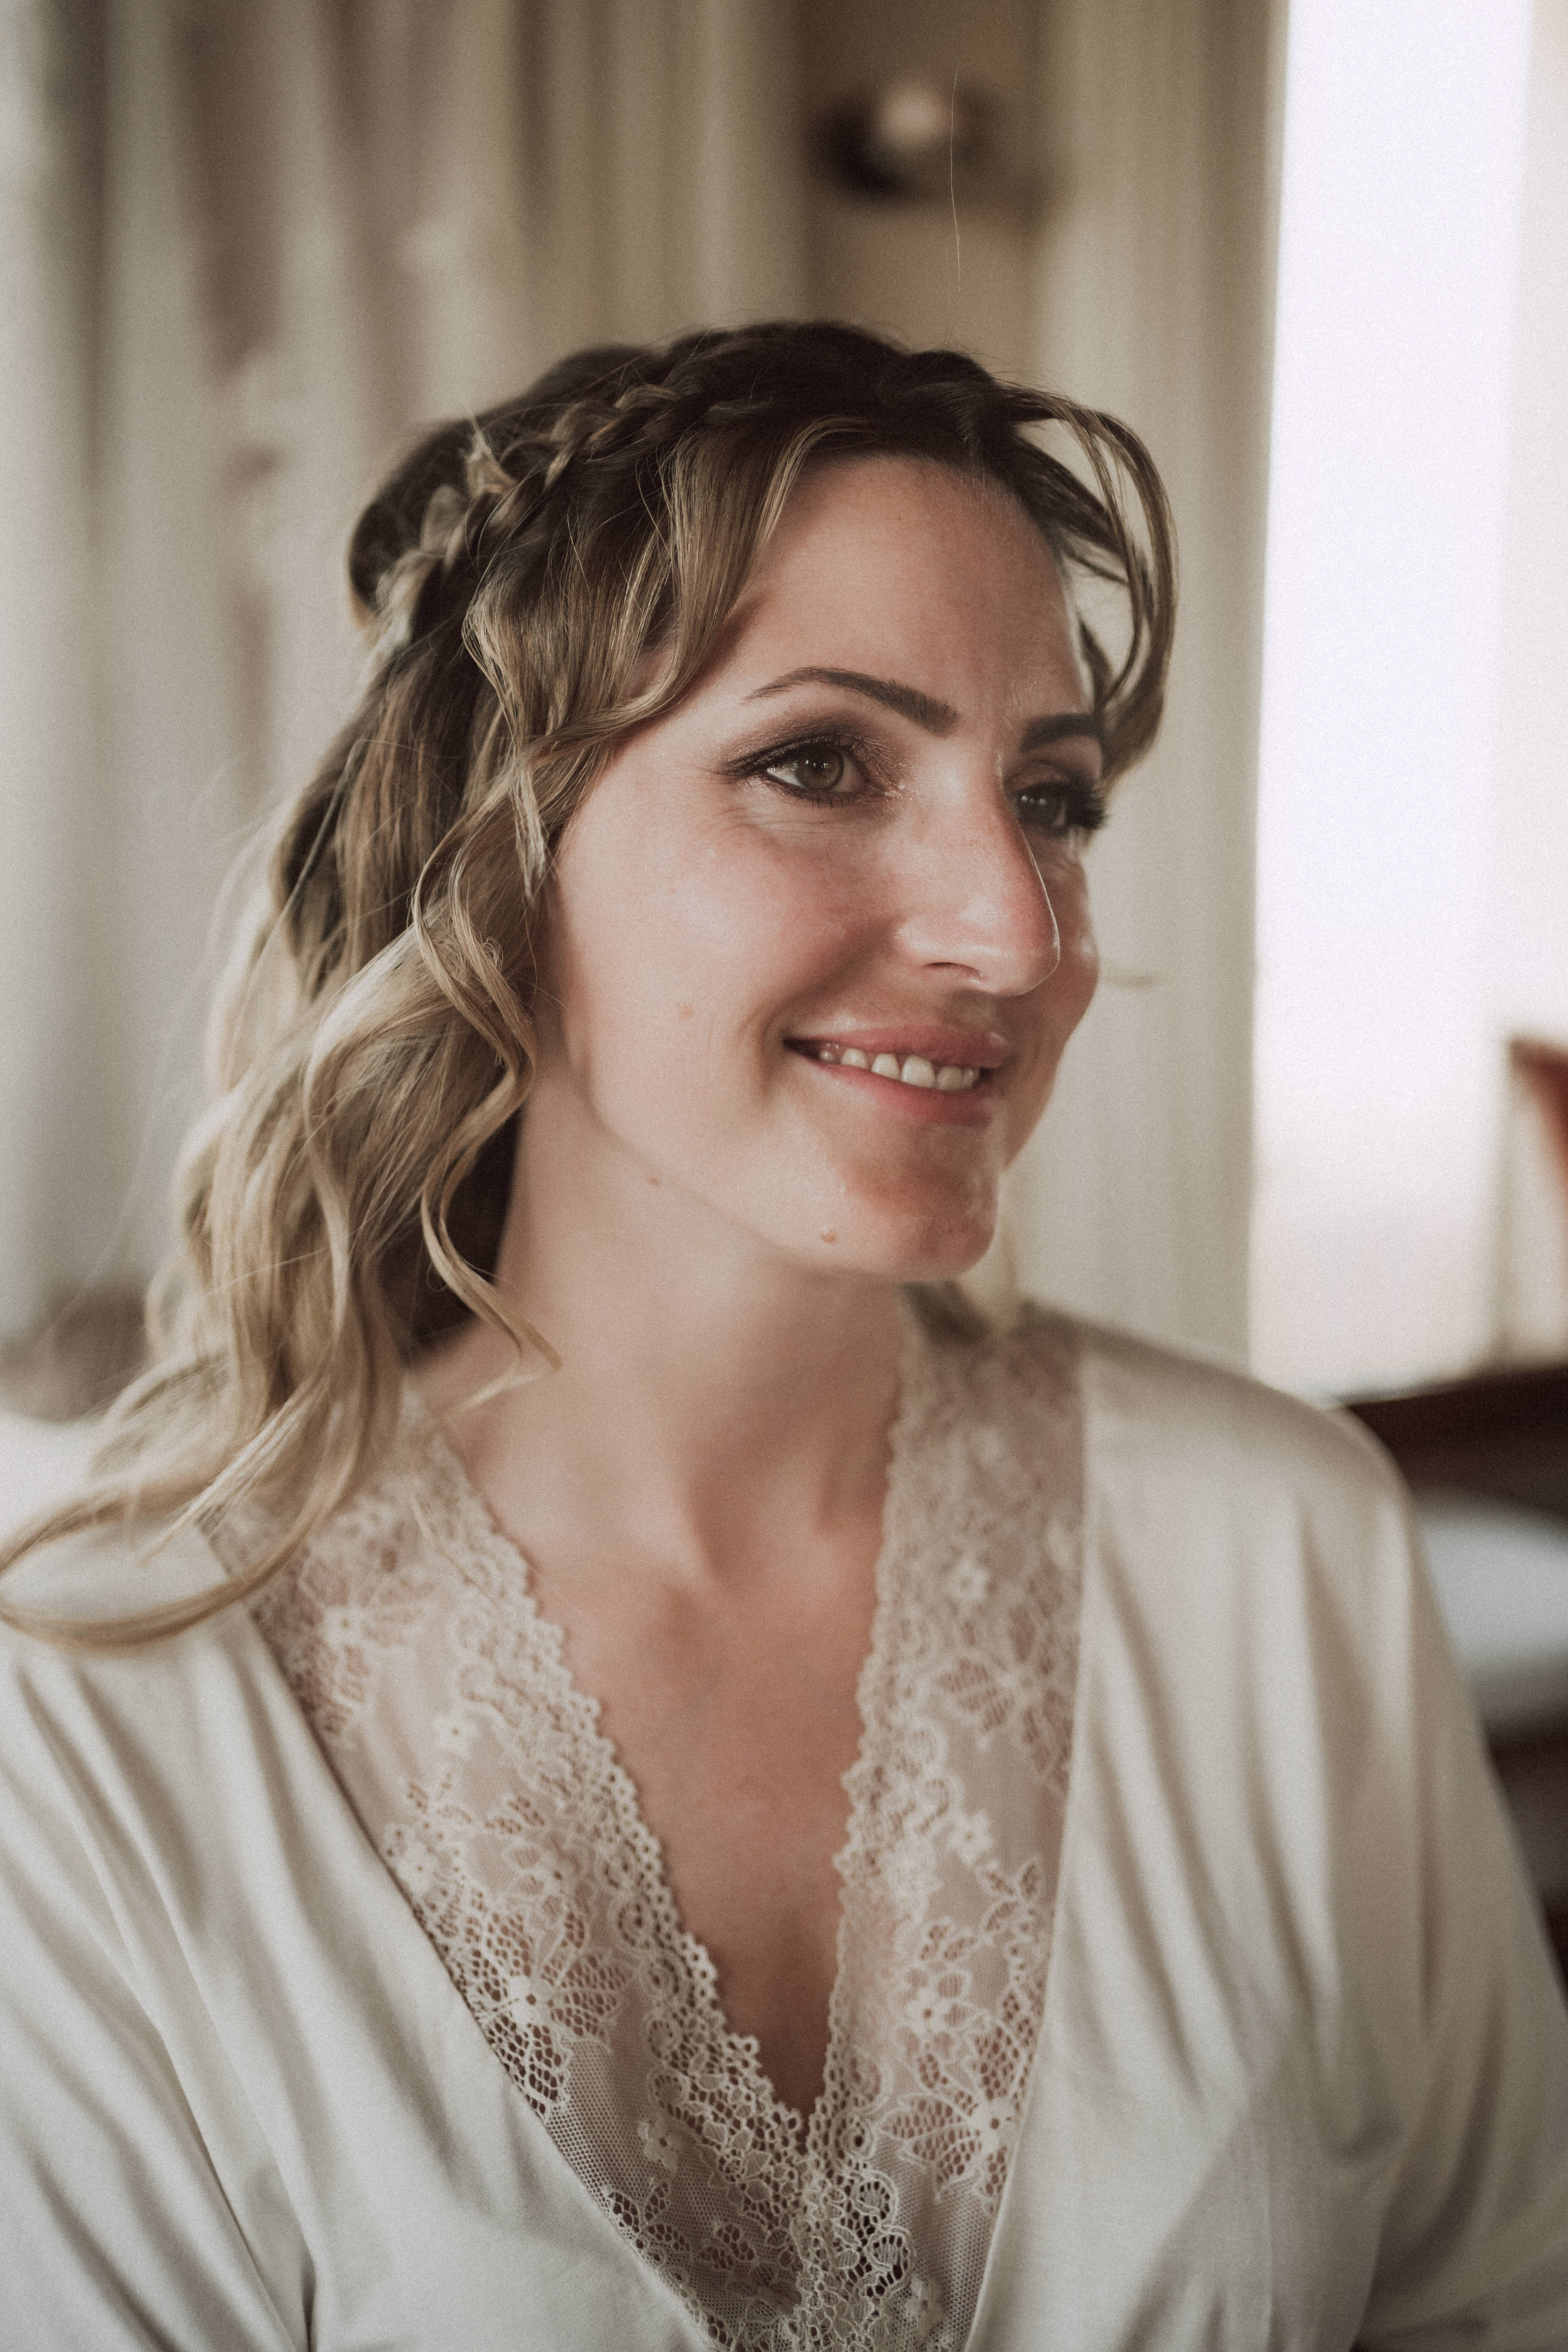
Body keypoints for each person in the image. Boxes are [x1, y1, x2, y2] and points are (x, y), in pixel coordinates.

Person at [1, 321, 1564, 2351]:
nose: (1017, 931)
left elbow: (1498, 2296)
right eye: (820, 763)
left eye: (1054, 799)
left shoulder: (1284, 1548)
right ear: (501, 848)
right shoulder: (96, 1692)